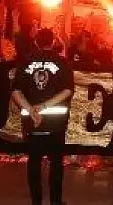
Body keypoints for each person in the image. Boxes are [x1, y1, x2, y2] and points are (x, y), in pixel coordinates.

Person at [12, 28, 73, 205]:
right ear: (53, 41)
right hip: (56, 123)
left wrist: (32, 110)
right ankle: (55, 201)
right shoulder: (62, 62)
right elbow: (68, 90)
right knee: (56, 164)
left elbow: (15, 91)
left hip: (32, 123)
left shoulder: (25, 61)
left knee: (34, 163)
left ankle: (36, 201)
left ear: (36, 42)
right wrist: (45, 106)